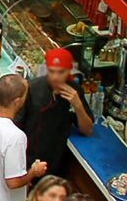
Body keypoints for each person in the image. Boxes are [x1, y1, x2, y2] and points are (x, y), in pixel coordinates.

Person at [15, 47, 94, 177]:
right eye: (52, 71)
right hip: (29, 162)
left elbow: (87, 130)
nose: (55, 77)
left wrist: (78, 106)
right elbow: (16, 128)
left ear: (69, 71)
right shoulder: (32, 89)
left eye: (60, 72)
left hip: (57, 163)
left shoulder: (75, 91)